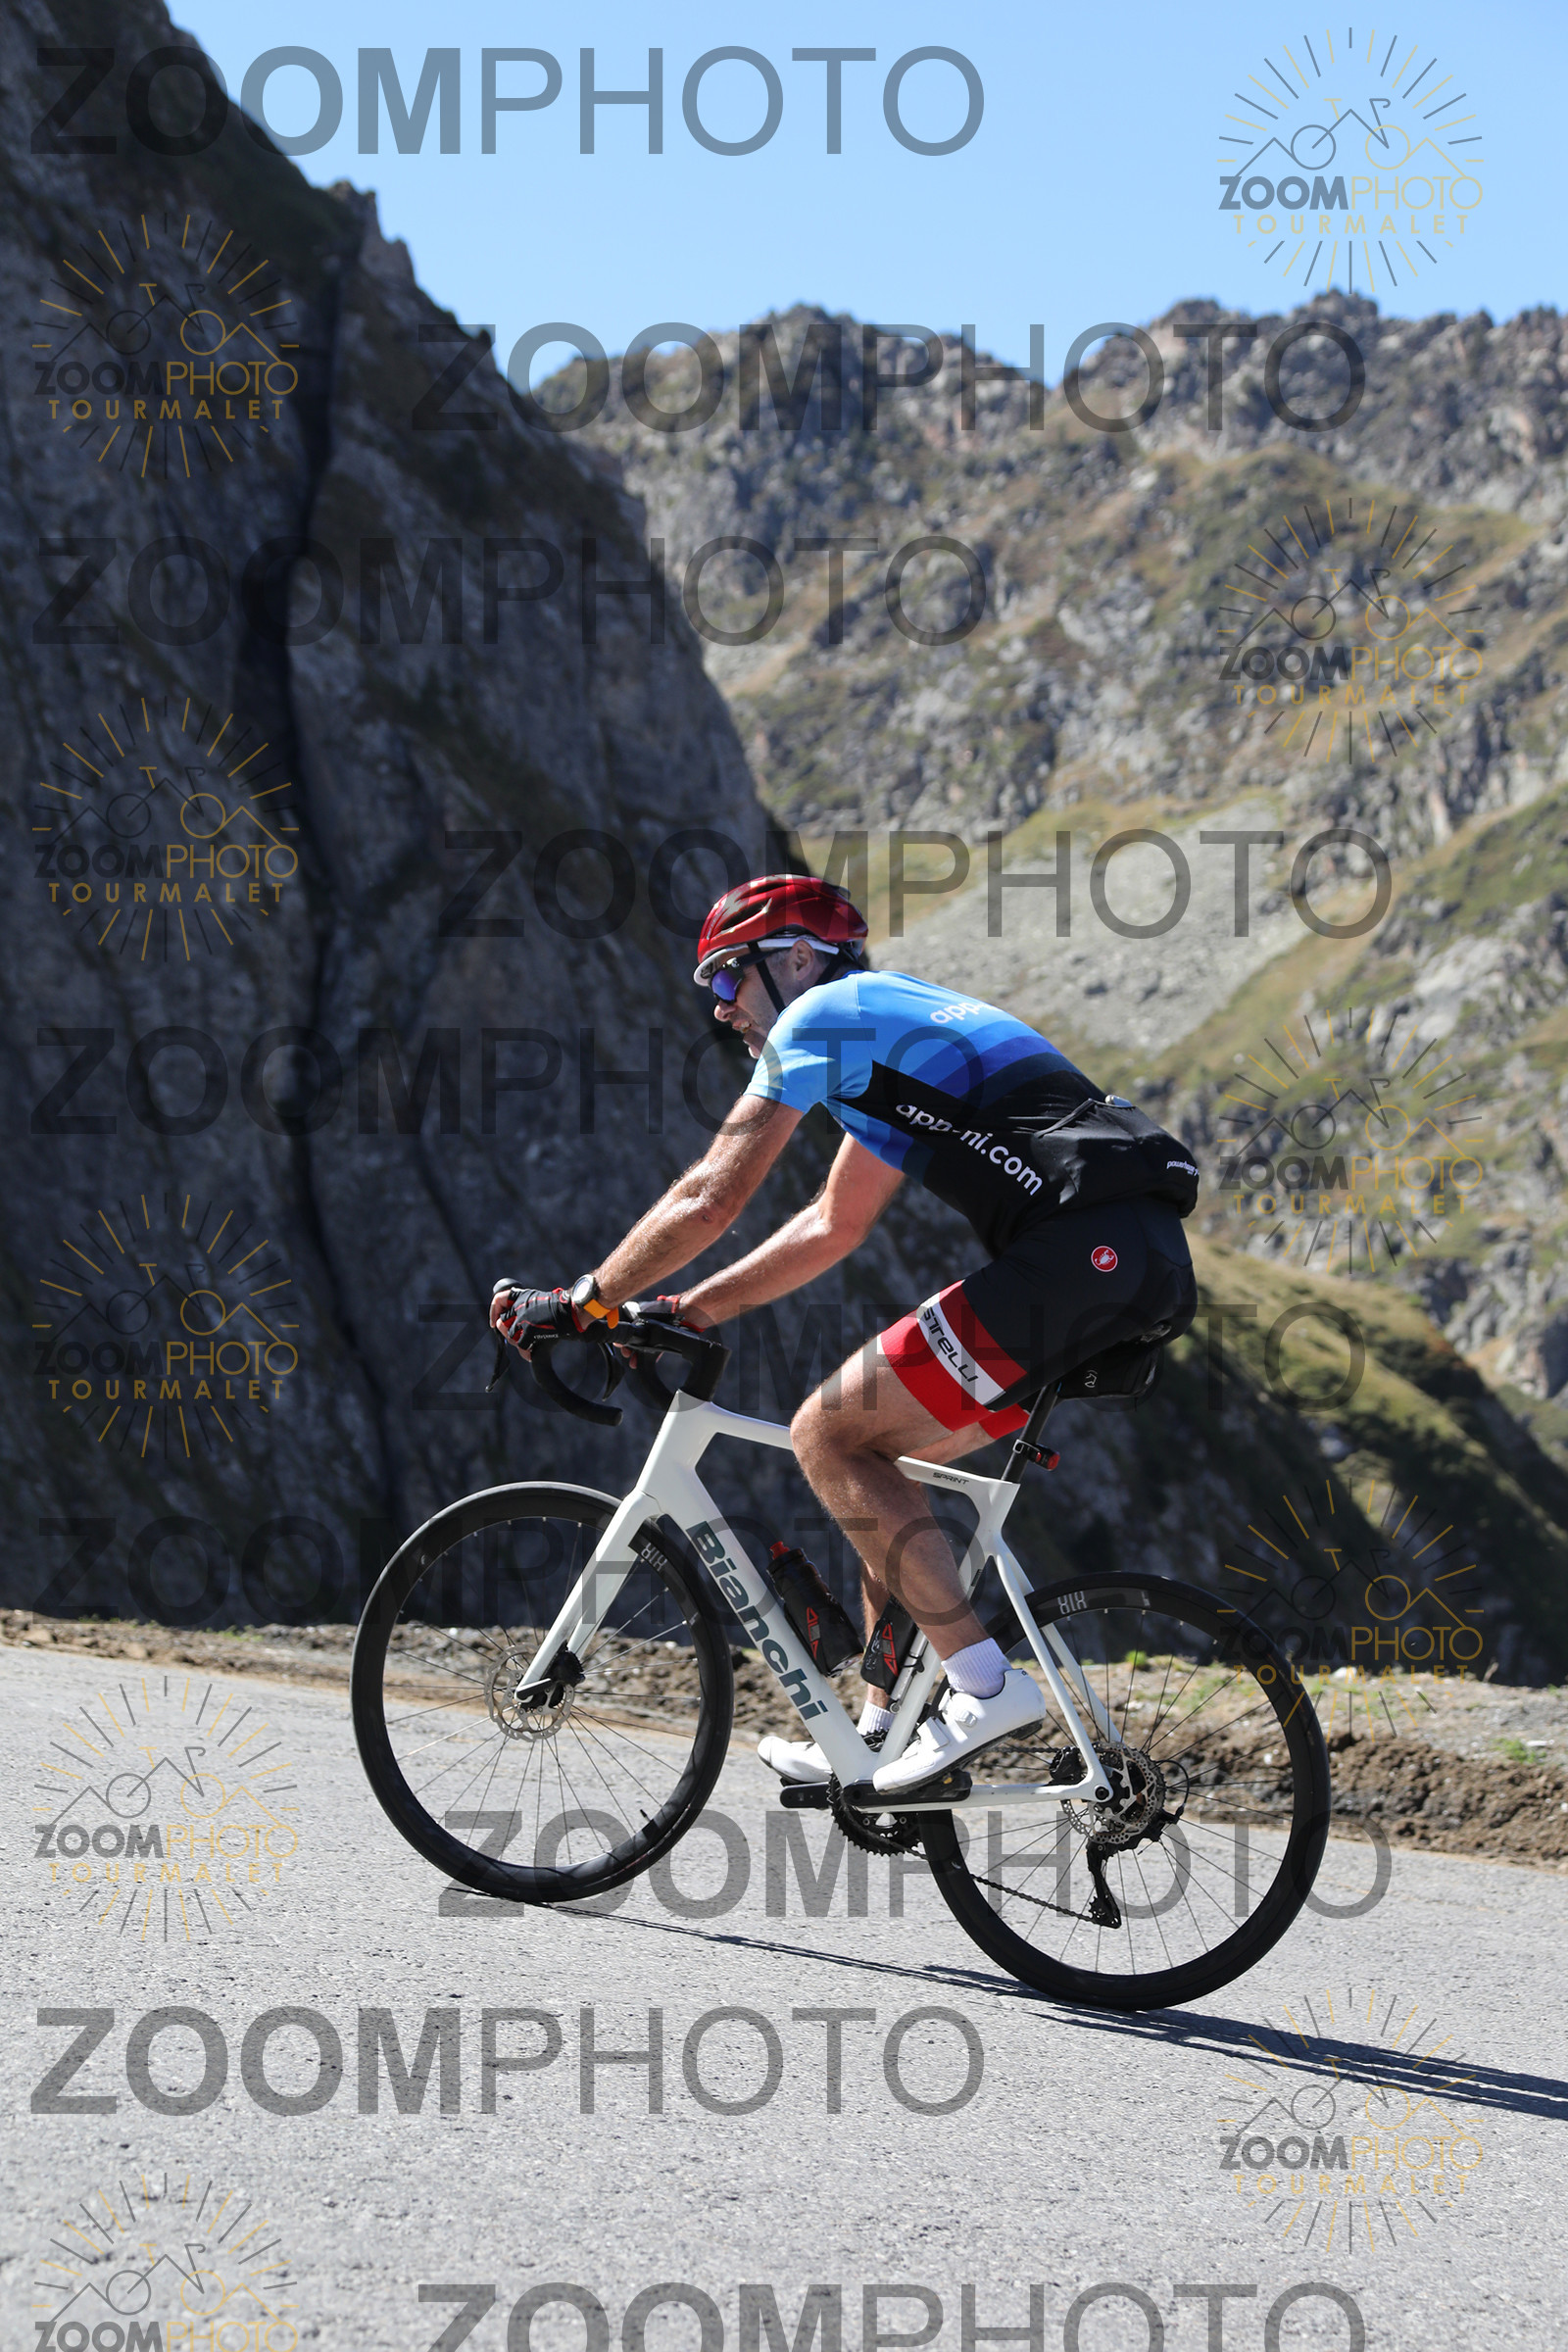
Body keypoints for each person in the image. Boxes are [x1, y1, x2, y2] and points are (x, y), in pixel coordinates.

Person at [492, 874, 1198, 1797]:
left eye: (727, 976)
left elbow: (710, 1197)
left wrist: (583, 1299)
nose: (720, 1006)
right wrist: (693, 1309)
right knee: (874, 1462)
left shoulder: (823, 1017)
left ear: (795, 959)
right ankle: (878, 1735)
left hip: (1080, 1255)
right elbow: (834, 1224)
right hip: (1133, 1256)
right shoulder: (885, 1035)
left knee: (827, 1433)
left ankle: (984, 1688)